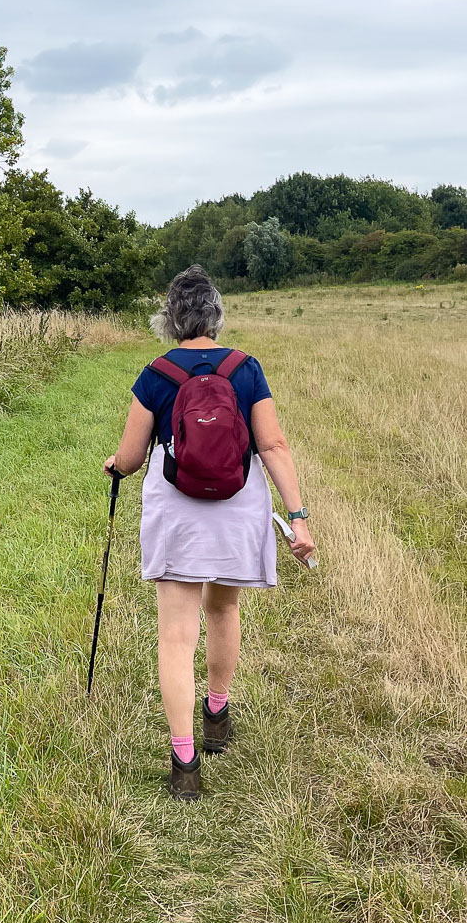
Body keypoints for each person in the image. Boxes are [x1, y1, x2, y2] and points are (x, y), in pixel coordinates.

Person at [103, 265, 316, 800]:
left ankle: (184, 761)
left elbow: (131, 457)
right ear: (217, 316)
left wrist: (115, 466)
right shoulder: (247, 370)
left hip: (177, 516)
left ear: (170, 318)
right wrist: (298, 518)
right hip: (238, 510)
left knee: (176, 635)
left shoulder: (155, 374)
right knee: (225, 610)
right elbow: (273, 447)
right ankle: (216, 713)